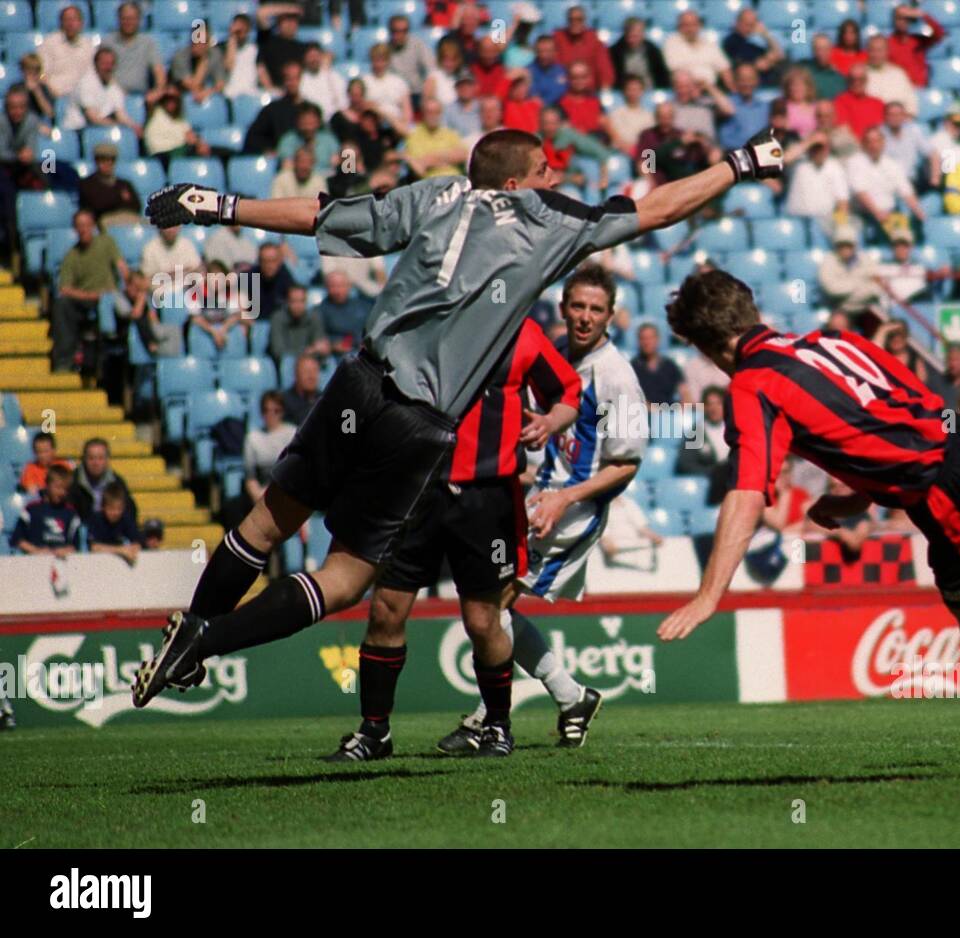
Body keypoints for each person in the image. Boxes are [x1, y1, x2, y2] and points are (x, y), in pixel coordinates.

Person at [131, 123, 785, 716]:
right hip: (415, 425)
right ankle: (205, 643)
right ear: (514, 184)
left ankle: (189, 630)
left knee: (263, 524)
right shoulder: (547, 218)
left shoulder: (434, 195)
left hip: (357, 382)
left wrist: (218, 204)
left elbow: (322, 215)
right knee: (347, 578)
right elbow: (660, 207)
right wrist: (742, 162)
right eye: (544, 171)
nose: (554, 180)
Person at [659, 269, 960, 773]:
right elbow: (898, 414)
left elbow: (746, 494)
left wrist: (708, 595)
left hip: (945, 495)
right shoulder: (832, 340)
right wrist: (859, 497)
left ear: (707, 348)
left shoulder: (752, 386)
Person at [329, 309, 580, 761]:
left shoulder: (519, 329)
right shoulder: (419, 320)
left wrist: (549, 422)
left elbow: (566, 394)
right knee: (386, 611)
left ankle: (498, 728)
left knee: (484, 620)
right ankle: (373, 733)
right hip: (411, 489)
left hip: (487, 498)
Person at [431, 264, 645, 757]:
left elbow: (626, 465)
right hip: (538, 499)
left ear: (611, 316)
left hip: (572, 513)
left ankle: (488, 718)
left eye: (596, 309)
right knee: (491, 608)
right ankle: (571, 699)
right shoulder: (559, 360)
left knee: (490, 607)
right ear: (564, 308)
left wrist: (564, 498)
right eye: (578, 306)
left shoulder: (618, 378)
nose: (585, 317)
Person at [51, 209, 129, 373]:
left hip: (110, 296)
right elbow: (65, 288)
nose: (83, 229)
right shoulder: (72, 255)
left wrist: (128, 284)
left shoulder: (107, 243)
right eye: (80, 226)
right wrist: (91, 295)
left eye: (87, 225)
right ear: (75, 229)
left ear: (93, 226)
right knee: (61, 305)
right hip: (86, 299)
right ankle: (64, 360)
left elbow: (121, 266)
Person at [242, 390, 297, 512]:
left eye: (276, 410)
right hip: (263, 493)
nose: (271, 414)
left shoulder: (292, 433)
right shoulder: (252, 438)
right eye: (266, 410)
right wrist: (259, 497)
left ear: (282, 412)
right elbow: (250, 477)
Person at [65, 47, 142, 135]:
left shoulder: (113, 87)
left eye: (111, 64)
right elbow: (93, 118)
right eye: (104, 64)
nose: (108, 67)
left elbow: (120, 114)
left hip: (100, 130)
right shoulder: (86, 83)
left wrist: (133, 126)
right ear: (96, 64)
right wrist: (120, 126)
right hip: (79, 130)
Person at [9, 464, 79, 557]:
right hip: (34, 561)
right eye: (58, 487)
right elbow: (17, 539)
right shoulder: (32, 509)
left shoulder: (71, 513)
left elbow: (75, 545)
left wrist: (65, 550)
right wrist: (36, 551)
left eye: (65, 489)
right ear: (47, 485)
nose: (61, 493)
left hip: (61, 562)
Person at [103, 2, 166, 104]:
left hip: (141, 97)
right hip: (112, 96)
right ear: (118, 19)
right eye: (125, 18)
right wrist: (116, 90)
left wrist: (158, 90)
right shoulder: (108, 43)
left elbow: (158, 70)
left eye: (132, 18)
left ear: (139, 20)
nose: (128, 22)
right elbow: (102, 72)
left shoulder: (148, 43)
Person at [818, 224, 881, 320]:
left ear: (854, 245)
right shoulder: (828, 260)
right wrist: (860, 283)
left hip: (864, 308)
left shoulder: (866, 259)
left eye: (848, 245)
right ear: (836, 246)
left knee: (886, 324)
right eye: (841, 245)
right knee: (838, 322)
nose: (845, 248)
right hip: (839, 309)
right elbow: (832, 290)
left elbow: (877, 288)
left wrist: (848, 290)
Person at [244, 61, 305, 154]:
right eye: (289, 79)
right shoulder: (272, 110)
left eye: (296, 78)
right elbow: (253, 137)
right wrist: (268, 149)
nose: (292, 83)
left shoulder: (309, 110)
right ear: (283, 81)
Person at [664, 10, 733, 91]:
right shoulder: (672, 42)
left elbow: (725, 69)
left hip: (711, 90)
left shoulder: (709, 44)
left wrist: (732, 88)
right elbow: (675, 71)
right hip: (686, 90)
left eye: (694, 24)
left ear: (699, 26)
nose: (690, 29)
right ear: (679, 26)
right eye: (686, 25)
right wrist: (700, 83)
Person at [70, 437, 136, 522]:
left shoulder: (116, 482)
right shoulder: (73, 482)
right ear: (84, 459)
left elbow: (130, 510)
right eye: (91, 458)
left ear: (107, 460)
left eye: (100, 458)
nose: (96, 463)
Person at [39, 4, 95, 99]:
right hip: (54, 96)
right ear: (61, 23)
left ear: (81, 23)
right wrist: (51, 91)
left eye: (74, 20)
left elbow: (93, 75)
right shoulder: (49, 43)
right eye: (67, 20)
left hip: (82, 98)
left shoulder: (89, 46)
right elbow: (41, 74)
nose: (70, 24)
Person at [552, 4, 615, 90]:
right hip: (564, 90)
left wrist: (605, 86)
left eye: (579, 19)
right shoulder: (558, 38)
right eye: (571, 19)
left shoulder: (594, 40)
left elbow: (604, 69)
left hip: (589, 92)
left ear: (585, 20)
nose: (574, 23)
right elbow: (554, 66)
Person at [402, 98, 467, 178]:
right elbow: (420, 168)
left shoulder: (449, 133)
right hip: (430, 185)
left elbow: (463, 155)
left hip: (454, 181)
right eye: (429, 112)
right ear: (423, 113)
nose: (433, 116)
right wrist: (448, 158)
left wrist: (435, 157)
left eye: (437, 112)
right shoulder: (414, 135)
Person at [144, 85, 212, 161]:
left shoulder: (181, 119)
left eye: (175, 99)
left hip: (179, 151)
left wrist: (200, 144)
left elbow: (190, 136)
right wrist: (167, 92)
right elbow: (149, 98)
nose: (171, 102)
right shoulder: (155, 111)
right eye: (168, 99)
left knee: (218, 152)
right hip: (160, 153)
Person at [76, 142, 137, 224]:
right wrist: (119, 198)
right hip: (103, 221)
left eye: (111, 160)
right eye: (103, 160)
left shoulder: (124, 184)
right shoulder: (87, 184)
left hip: (127, 218)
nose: (107, 163)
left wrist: (110, 200)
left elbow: (136, 206)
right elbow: (97, 207)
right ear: (96, 162)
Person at [887, 4, 947, 88]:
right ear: (894, 20)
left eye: (907, 18)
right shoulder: (887, 43)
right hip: (898, 89)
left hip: (919, 89)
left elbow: (939, 34)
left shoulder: (918, 41)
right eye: (899, 18)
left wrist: (922, 15)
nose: (903, 21)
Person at [170, 19, 228, 102]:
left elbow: (220, 84)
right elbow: (193, 85)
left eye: (203, 40)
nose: (198, 44)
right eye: (196, 40)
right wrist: (204, 60)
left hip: (204, 94)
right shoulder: (179, 57)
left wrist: (207, 92)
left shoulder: (215, 54)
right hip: (181, 98)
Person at [88, 480, 143, 565]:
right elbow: (94, 548)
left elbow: (137, 544)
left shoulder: (126, 519)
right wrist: (121, 550)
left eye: (119, 509)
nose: (115, 513)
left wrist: (131, 549)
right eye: (111, 509)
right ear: (103, 507)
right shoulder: (96, 520)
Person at [722, 7, 783, 85]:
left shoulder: (749, 44)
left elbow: (779, 55)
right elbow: (759, 64)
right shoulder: (730, 42)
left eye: (752, 25)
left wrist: (765, 34)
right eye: (747, 24)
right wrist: (768, 60)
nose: (749, 28)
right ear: (737, 23)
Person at [269, 285, 330, 363]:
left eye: (302, 301)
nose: (298, 305)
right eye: (293, 301)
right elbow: (278, 352)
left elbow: (319, 346)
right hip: (284, 365)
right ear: (287, 302)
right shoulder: (277, 318)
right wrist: (308, 351)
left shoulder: (314, 317)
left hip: (310, 363)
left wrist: (321, 349)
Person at [632, 322, 688, 405]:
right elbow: (632, 398)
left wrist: (684, 405)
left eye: (650, 338)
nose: (647, 342)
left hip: (669, 413)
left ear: (657, 339)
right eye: (643, 338)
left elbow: (684, 392)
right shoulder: (632, 368)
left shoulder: (670, 366)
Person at [609, 16, 670, 90]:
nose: (633, 40)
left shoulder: (653, 51)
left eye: (636, 36)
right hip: (625, 92)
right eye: (630, 36)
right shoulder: (614, 52)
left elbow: (663, 77)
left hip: (649, 91)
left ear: (643, 34)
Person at [316, 271, 370, 353]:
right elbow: (319, 338)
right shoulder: (318, 311)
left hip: (360, 351)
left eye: (341, 286)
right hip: (333, 354)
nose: (337, 291)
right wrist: (333, 345)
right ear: (326, 287)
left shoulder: (363, 307)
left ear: (349, 286)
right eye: (333, 286)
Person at [864, 36, 916, 118]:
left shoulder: (899, 74)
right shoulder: (860, 75)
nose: (876, 54)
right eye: (872, 50)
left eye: (880, 50)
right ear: (867, 51)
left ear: (887, 51)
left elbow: (911, 106)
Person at [834, 63, 885, 140]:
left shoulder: (878, 103)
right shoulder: (840, 101)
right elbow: (843, 131)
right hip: (854, 147)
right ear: (848, 80)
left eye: (861, 79)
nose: (856, 83)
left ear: (866, 80)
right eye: (852, 79)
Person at [281, 354, 323, 426]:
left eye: (314, 371)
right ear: (296, 374)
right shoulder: (283, 402)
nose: (311, 376)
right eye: (306, 371)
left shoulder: (324, 399)